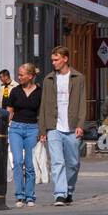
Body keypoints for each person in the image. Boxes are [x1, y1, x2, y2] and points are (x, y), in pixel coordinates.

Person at [39, 46, 85, 206]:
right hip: (54, 127)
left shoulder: (78, 78)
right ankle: (59, 194)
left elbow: (82, 103)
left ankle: (69, 190)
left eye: (56, 59)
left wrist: (80, 124)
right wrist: (42, 129)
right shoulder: (48, 79)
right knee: (57, 162)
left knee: (73, 163)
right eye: (52, 60)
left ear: (65, 59)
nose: (53, 63)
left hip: (72, 126)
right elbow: (44, 105)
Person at [6, 63, 41, 207]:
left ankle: (30, 196)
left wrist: (43, 131)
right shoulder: (15, 91)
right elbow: (9, 111)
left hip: (32, 128)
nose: (18, 77)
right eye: (18, 74)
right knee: (18, 161)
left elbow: (43, 111)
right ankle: (19, 196)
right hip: (16, 128)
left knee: (30, 163)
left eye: (21, 75)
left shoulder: (40, 91)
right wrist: (6, 127)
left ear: (30, 76)